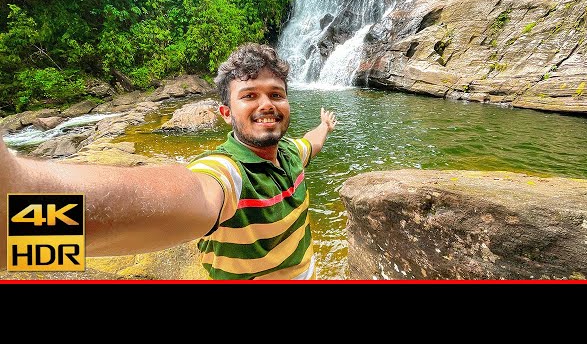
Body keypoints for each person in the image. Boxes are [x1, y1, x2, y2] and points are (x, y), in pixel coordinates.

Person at [0, 43, 337, 280]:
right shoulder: (227, 171)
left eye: (276, 94)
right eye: (249, 96)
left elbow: (311, 144)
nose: (267, 104)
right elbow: (191, 196)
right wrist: (19, 228)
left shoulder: (292, 153)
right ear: (225, 113)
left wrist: (324, 126)